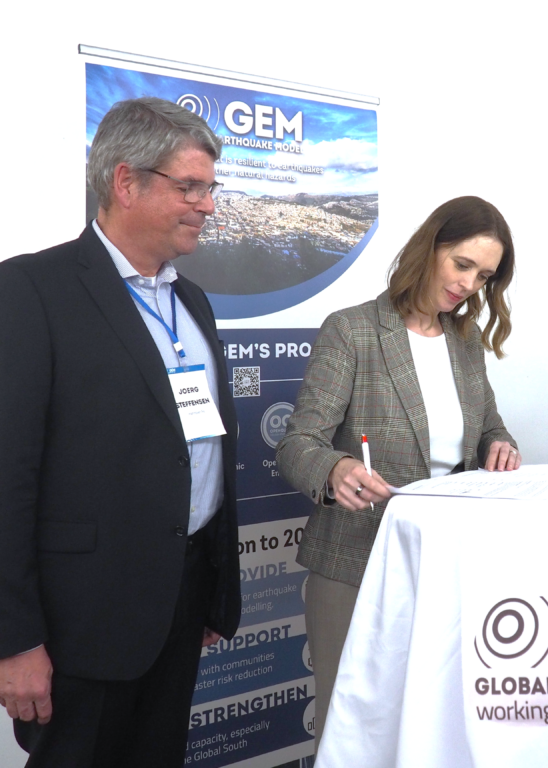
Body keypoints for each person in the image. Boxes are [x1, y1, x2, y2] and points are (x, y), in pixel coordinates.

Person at [0, 97, 240, 767]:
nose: (208, 205)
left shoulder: (191, 301)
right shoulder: (30, 291)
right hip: (82, 625)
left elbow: (200, 443)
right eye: (190, 187)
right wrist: (14, 641)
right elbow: (6, 476)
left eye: (210, 188)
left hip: (179, 601)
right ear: (125, 182)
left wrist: (210, 589)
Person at [276, 195, 521, 751]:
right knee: (352, 735)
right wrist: (334, 466)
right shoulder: (353, 331)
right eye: (462, 265)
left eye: (483, 276)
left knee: (428, 733)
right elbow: (297, 445)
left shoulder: (465, 344)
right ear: (428, 248)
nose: (468, 285)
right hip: (354, 565)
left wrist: (499, 444)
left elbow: (487, 429)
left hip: (441, 569)